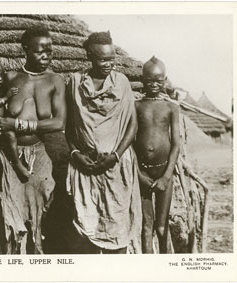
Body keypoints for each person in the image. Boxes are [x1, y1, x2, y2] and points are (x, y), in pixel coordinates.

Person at [0, 26, 66, 254]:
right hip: (11, 156)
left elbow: (59, 122)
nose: (46, 56)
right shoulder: (9, 79)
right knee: (12, 218)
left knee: (40, 214)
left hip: (40, 154)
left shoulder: (55, 80)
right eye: (41, 51)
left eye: (50, 51)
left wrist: (16, 124)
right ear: (26, 49)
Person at [65, 31, 141, 254]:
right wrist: (76, 153)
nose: (108, 64)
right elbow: (70, 127)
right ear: (89, 55)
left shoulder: (122, 83)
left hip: (116, 167)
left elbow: (132, 125)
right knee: (86, 230)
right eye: (102, 59)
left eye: (111, 59)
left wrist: (115, 156)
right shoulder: (76, 84)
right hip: (85, 168)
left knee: (117, 230)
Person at [134, 56, 180, 253]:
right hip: (143, 174)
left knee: (161, 228)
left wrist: (167, 176)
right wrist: (138, 174)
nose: (154, 84)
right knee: (146, 227)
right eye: (150, 80)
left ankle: (165, 267)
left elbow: (176, 144)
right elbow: (130, 143)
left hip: (164, 174)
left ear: (165, 80)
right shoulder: (136, 106)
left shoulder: (171, 107)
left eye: (159, 81)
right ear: (143, 79)